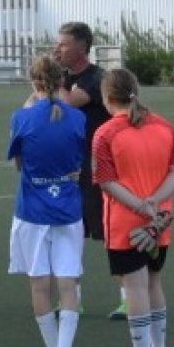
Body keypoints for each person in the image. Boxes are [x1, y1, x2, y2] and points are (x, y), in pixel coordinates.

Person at [92, 68, 174, 347]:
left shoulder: (105, 133)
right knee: (154, 280)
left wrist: (140, 206)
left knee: (134, 286)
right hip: (161, 219)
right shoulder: (165, 126)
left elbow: (106, 181)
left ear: (107, 98)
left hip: (125, 221)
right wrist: (155, 203)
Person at [8, 56, 88, 347]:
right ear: (61, 82)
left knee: (39, 284)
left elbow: (18, 164)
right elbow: (78, 160)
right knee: (68, 283)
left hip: (33, 211)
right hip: (68, 208)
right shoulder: (77, 118)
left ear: (34, 82)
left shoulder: (22, 118)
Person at [52, 22, 119, 318]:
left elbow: (66, 104)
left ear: (81, 48)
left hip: (99, 170)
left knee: (112, 234)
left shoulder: (96, 79)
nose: (57, 50)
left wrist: (52, 80)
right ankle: (72, 299)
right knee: (70, 234)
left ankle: (130, 295)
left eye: (63, 45)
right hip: (72, 170)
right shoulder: (64, 78)